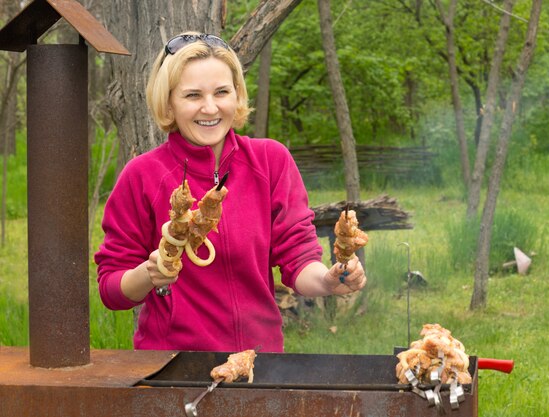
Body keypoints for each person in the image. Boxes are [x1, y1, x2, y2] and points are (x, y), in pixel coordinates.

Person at [94, 32, 367, 352]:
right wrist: (149, 274)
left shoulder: (270, 161)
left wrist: (326, 280)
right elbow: (111, 288)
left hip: (259, 362)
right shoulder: (142, 176)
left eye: (222, 92)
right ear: (168, 102)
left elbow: (298, 256)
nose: (209, 108)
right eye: (193, 95)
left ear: (237, 95)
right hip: (172, 364)